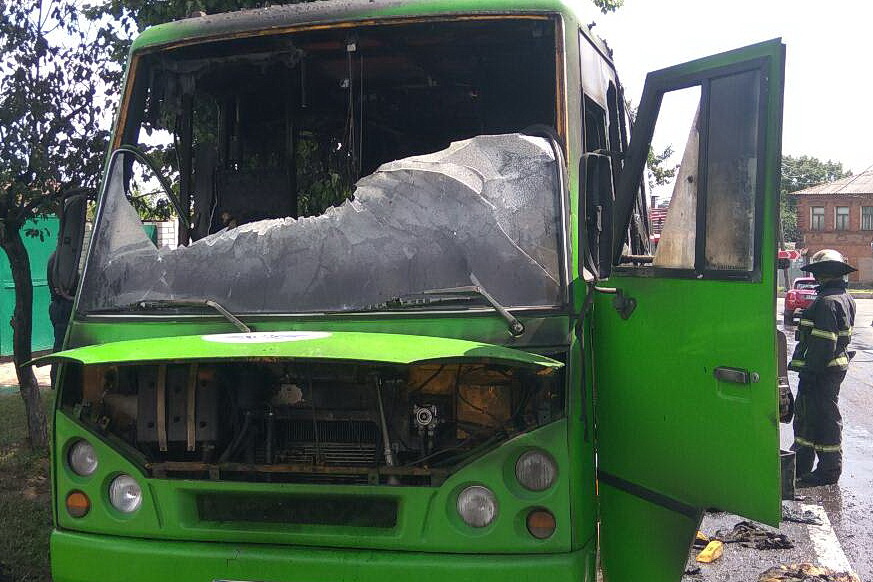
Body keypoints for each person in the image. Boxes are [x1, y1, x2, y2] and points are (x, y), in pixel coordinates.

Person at [788, 249, 856, 486]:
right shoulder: (842, 297)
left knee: (825, 419)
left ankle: (828, 471)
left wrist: (811, 372)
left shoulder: (827, 302)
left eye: (817, 272)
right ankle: (801, 464)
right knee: (810, 417)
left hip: (821, 372)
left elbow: (824, 342)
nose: (815, 277)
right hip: (828, 371)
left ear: (823, 273)